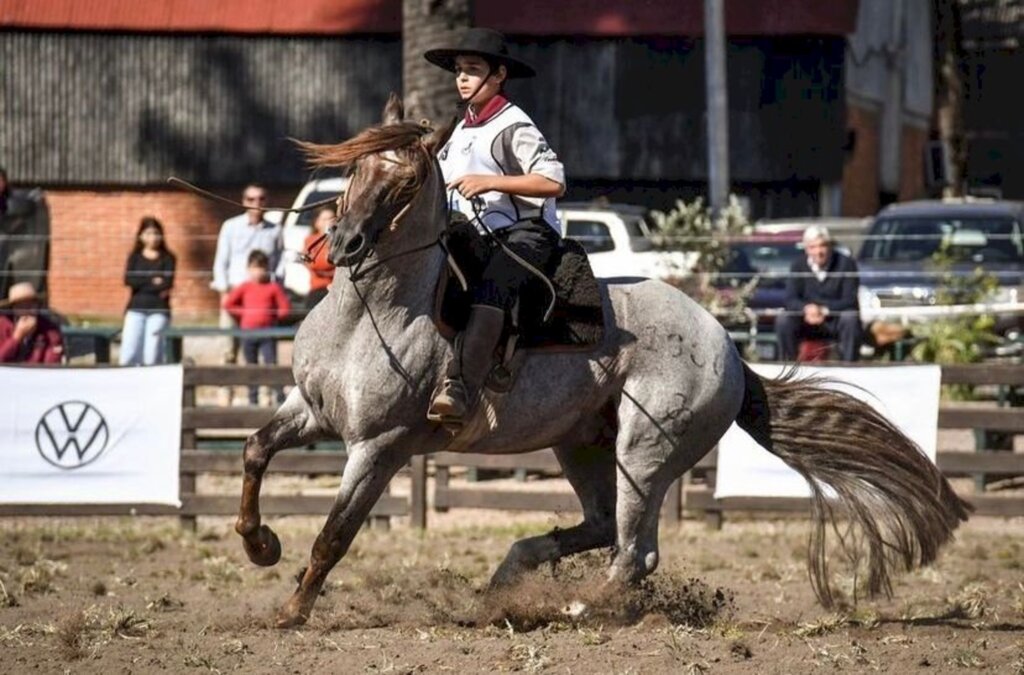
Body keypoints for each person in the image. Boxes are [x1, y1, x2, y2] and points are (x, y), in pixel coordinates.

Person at [422, 28, 566, 425]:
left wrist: (491, 182)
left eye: (472, 70)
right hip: (476, 232)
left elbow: (554, 183)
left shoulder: (514, 124)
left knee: (491, 288)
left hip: (528, 232)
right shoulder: (458, 128)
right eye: (458, 71)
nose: (462, 78)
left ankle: (461, 389)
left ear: (499, 75)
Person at [210, 183, 283, 364]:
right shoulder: (231, 226)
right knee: (228, 346)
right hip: (235, 293)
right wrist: (223, 292)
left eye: (261, 198)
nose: (256, 203)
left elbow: (279, 263)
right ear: (243, 201)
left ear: (267, 201)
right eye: (251, 199)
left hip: (262, 297)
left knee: (266, 349)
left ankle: (267, 392)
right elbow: (221, 261)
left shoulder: (275, 230)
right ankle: (226, 392)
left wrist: (276, 290)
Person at [775, 225, 863, 361]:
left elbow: (850, 299)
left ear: (830, 246)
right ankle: (787, 368)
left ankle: (850, 365)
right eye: (812, 247)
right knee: (784, 319)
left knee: (850, 317)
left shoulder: (846, 264)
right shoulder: (798, 265)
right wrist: (806, 309)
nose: (818, 251)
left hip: (834, 320)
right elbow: (790, 298)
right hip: (806, 320)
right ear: (806, 249)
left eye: (822, 246)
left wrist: (823, 310)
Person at [223, 250, 291, 404]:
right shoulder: (244, 287)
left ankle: (279, 397)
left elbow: (285, 308)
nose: (258, 272)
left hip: (267, 333)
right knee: (251, 367)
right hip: (248, 333)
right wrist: (244, 314)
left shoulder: (273, 287)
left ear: (267, 268)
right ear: (248, 269)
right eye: (254, 268)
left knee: (271, 365)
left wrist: (272, 317)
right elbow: (229, 304)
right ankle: (252, 399)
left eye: (261, 268)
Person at [119, 217, 176, 365]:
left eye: (156, 233)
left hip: (158, 309)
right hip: (136, 308)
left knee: (152, 353)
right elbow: (129, 280)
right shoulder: (135, 257)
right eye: (149, 233)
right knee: (129, 352)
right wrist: (153, 279)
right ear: (141, 235)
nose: (153, 237)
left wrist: (144, 280)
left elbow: (167, 283)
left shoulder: (168, 258)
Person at [0, 282, 64, 363]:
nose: (26, 310)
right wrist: (17, 337)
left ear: (37, 306)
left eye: (30, 305)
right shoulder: (2, 325)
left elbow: (51, 363)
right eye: (21, 306)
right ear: (13, 309)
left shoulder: (50, 329)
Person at [303, 206, 336, 312]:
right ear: (317, 223)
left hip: (338, 287)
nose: (329, 222)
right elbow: (314, 264)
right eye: (325, 219)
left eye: (332, 218)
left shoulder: (341, 239)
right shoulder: (311, 241)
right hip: (319, 289)